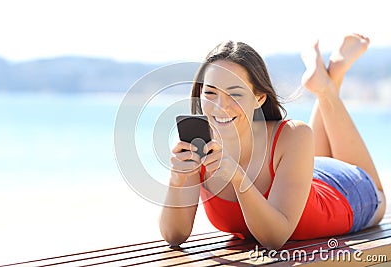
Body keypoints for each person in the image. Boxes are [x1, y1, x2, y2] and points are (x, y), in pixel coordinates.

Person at [159, 34, 386, 249]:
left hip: (344, 193)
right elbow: (174, 236)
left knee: (379, 196)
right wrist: (177, 179)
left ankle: (328, 86)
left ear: (258, 98)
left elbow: (275, 238)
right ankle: (326, 81)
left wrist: (238, 178)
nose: (220, 105)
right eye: (210, 93)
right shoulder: (196, 145)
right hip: (295, 174)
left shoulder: (294, 135)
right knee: (299, 163)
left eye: (235, 94)